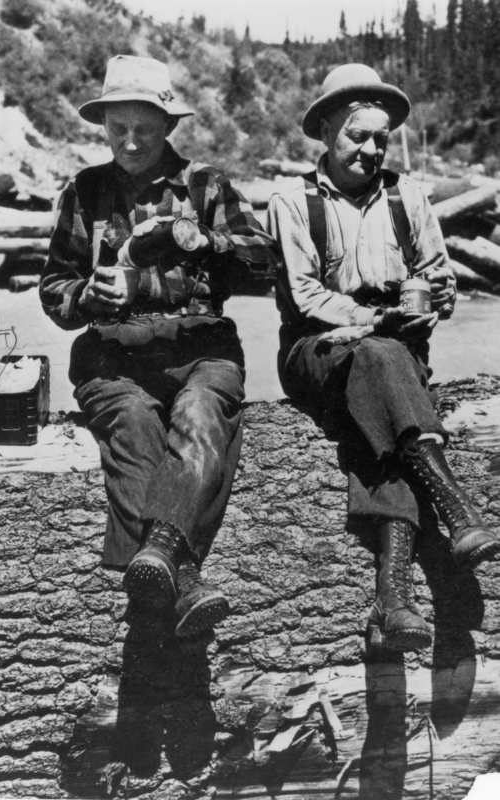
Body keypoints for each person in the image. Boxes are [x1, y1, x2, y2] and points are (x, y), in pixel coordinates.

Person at [40, 55, 279, 639]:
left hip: (202, 349)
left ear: (168, 125)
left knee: (201, 413)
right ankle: (185, 575)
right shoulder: (85, 190)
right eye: (115, 128)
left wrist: (198, 240)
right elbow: (53, 288)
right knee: (132, 424)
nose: (128, 142)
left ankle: (157, 564)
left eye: (142, 129)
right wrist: (90, 298)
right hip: (113, 358)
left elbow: (262, 261)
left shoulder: (207, 184)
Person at [266, 63, 500, 653]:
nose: (370, 149)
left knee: (379, 417)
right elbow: (305, 296)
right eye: (356, 135)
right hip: (315, 349)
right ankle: (455, 504)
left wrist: (438, 299)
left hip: (396, 351)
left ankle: (392, 601)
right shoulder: (291, 202)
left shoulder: (410, 197)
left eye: (380, 139)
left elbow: (437, 275)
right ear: (324, 131)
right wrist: (374, 320)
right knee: (376, 355)